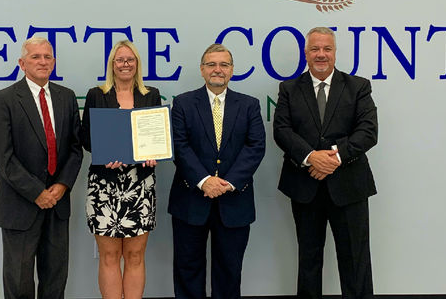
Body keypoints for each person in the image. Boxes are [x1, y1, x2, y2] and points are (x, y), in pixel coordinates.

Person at [273, 27, 378, 299]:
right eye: (315, 49)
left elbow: (368, 131)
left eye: (327, 49)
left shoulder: (358, 86)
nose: (321, 54)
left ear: (335, 52)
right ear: (305, 53)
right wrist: (311, 158)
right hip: (305, 187)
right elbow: (282, 130)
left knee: (356, 261)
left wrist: (333, 158)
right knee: (308, 260)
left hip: (349, 186)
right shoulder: (288, 89)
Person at [0, 36, 83, 299]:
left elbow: (75, 148)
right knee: (19, 280)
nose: (42, 61)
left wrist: (61, 186)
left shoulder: (67, 97)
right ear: (22, 63)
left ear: (54, 62)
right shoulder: (3, 99)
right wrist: (37, 192)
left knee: (55, 278)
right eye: (35, 57)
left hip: (58, 204)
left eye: (47, 57)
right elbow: (2, 155)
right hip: (20, 205)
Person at [168, 43, 266, 299]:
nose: (217, 70)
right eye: (211, 64)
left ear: (232, 70)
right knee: (188, 270)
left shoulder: (249, 105)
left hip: (234, 200)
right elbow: (180, 146)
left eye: (224, 64)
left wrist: (227, 182)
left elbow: (255, 147)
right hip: (191, 200)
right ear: (202, 70)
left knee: (229, 272)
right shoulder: (183, 103)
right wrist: (204, 181)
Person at [80, 40, 161, 299]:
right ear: (112, 65)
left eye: (130, 60)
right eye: (119, 60)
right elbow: (86, 137)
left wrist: (153, 154)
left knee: (135, 255)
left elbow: (155, 136)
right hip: (104, 185)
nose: (125, 64)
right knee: (110, 255)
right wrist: (105, 155)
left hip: (140, 184)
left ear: (137, 64)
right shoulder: (96, 94)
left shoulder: (151, 94)